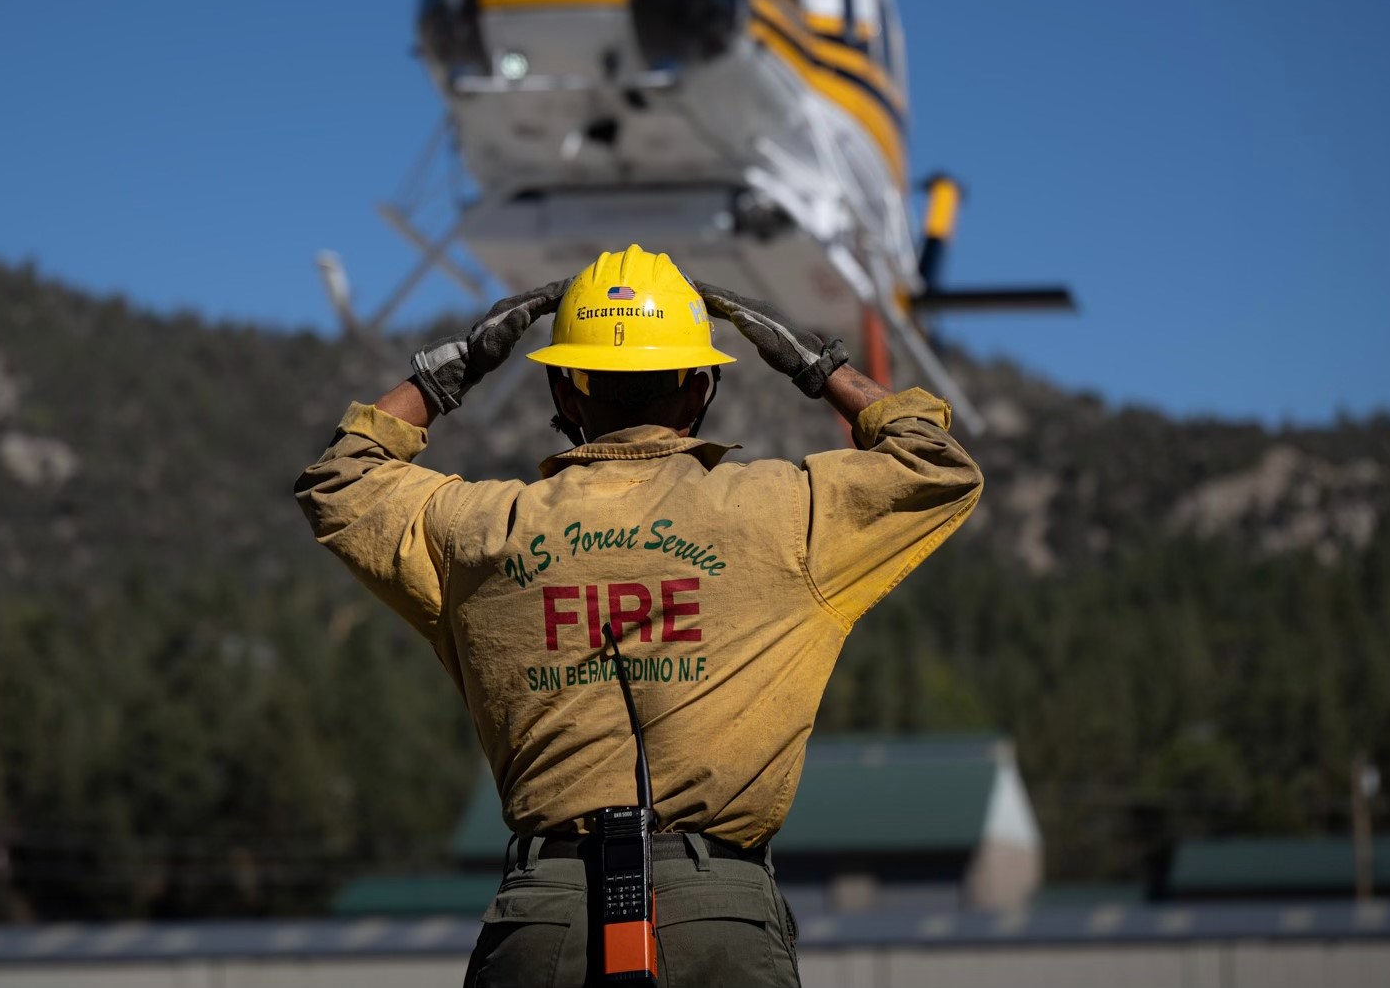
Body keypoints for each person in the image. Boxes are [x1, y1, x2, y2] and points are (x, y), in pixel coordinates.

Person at [294, 244, 984, 988]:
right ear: (700, 389)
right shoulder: (785, 513)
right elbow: (936, 462)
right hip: (720, 918)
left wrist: (457, 363)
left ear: (566, 393)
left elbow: (342, 479)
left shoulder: (479, 528)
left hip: (543, 921)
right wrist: (811, 362)